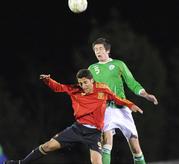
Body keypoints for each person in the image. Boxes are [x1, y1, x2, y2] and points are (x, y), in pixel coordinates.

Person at [4, 69, 143, 164]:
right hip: (77, 128)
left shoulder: (102, 89)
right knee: (47, 146)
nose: (82, 86)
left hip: (94, 133)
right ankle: (21, 162)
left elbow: (117, 99)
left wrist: (131, 105)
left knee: (97, 162)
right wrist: (48, 81)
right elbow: (59, 87)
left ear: (91, 80)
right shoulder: (75, 90)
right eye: (80, 83)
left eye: (85, 82)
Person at [88, 38, 158, 164]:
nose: (97, 51)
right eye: (95, 49)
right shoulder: (92, 68)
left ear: (108, 50)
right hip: (105, 109)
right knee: (106, 144)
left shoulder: (119, 64)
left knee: (136, 148)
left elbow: (132, 82)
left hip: (122, 108)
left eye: (100, 49)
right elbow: (88, 89)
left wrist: (146, 95)